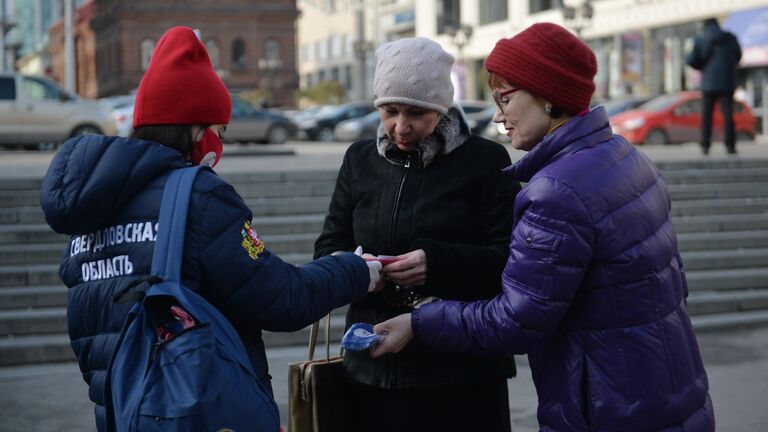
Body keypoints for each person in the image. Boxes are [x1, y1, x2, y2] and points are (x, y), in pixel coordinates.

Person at [372, 23, 714, 431]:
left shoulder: (556, 191)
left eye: (505, 98)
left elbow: (518, 320)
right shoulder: (625, 157)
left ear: (548, 97)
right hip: (666, 387)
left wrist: (420, 321)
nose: (498, 116)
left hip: (609, 406)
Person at [39, 26, 381, 432]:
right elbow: (283, 297)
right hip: (197, 413)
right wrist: (355, 271)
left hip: (124, 415)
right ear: (198, 133)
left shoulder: (88, 211)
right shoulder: (200, 198)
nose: (220, 146)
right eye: (219, 132)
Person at [314, 37, 521, 432]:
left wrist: (436, 263)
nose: (401, 126)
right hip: (372, 371)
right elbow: (329, 245)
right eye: (389, 111)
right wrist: (359, 271)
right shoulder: (360, 159)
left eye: (417, 113)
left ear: (441, 108)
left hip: (462, 376)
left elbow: (510, 260)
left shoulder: (484, 160)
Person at [686, 17, 742, 155]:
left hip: (709, 83)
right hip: (727, 82)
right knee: (728, 115)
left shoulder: (701, 39)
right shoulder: (730, 38)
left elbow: (693, 61)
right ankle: (731, 146)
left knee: (707, 115)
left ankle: (705, 145)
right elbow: (738, 56)